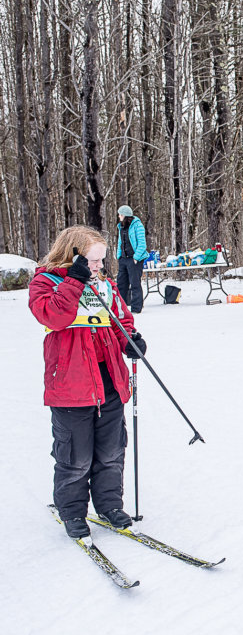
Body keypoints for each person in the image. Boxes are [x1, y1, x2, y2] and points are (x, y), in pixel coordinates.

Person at [28, 225, 147, 538]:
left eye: (101, 260)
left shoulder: (104, 284)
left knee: (111, 451)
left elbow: (119, 319)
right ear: (74, 256)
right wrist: (74, 281)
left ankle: (110, 505)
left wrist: (129, 339)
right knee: (76, 456)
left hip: (109, 379)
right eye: (93, 260)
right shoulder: (46, 281)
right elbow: (53, 316)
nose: (99, 266)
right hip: (70, 384)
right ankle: (72, 511)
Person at [115, 205, 147, 313]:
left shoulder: (138, 225)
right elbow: (120, 242)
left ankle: (136, 308)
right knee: (121, 284)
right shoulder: (121, 227)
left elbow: (142, 244)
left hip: (134, 259)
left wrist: (136, 257)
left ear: (125, 215)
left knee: (135, 284)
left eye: (120, 215)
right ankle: (120, 308)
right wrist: (119, 256)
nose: (119, 216)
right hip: (124, 258)